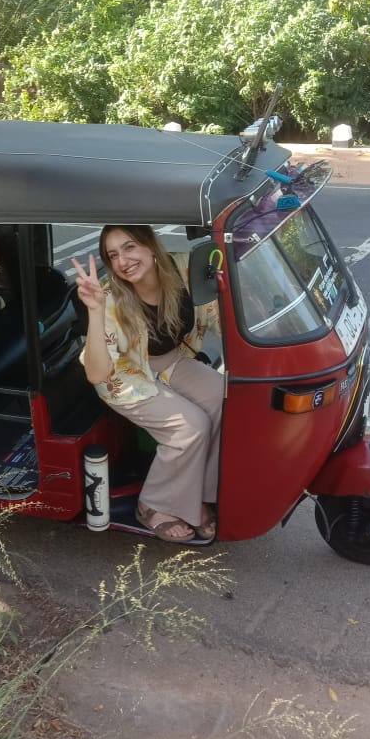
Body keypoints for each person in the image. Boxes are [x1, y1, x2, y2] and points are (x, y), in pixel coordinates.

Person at [72, 226, 224, 544]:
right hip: (124, 376)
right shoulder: (110, 296)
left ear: (151, 246)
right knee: (190, 427)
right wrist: (95, 312)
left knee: (224, 398)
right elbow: (97, 374)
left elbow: (218, 317)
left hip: (172, 359)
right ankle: (153, 504)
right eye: (113, 255)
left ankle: (201, 495)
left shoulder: (184, 269)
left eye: (129, 248)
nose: (123, 261)